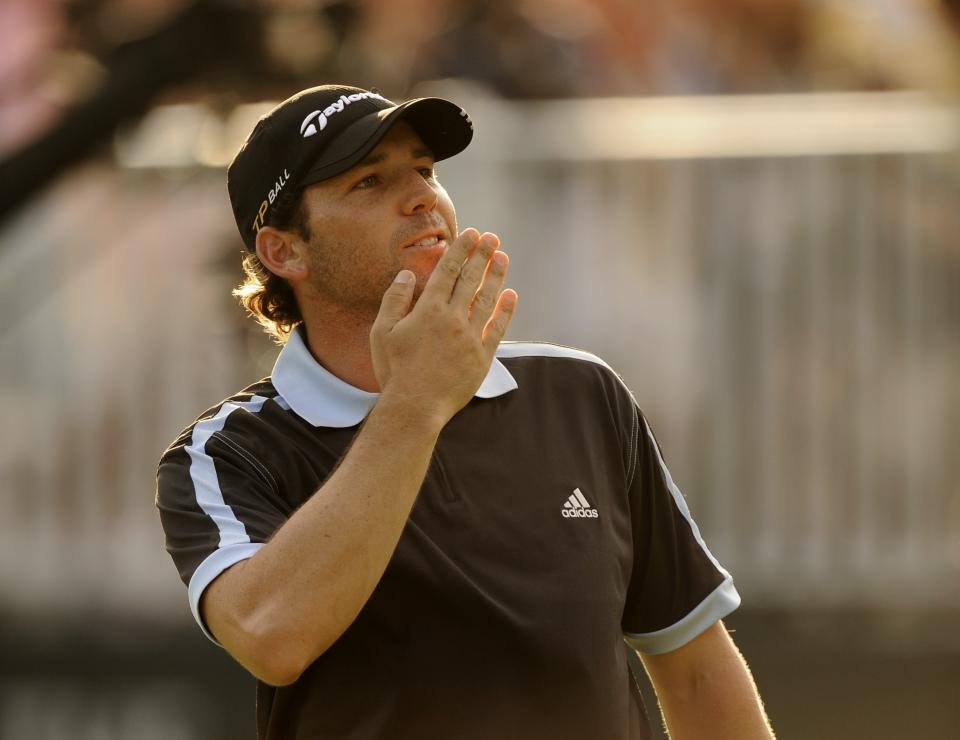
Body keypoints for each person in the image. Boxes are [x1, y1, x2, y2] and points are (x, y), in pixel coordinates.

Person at [156, 84, 775, 740]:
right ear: (285, 252)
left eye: (423, 170)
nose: (423, 196)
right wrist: (414, 405)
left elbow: (698, 672)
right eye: (368, 181)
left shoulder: (584, 396)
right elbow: (273, 636)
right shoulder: (229, 453)